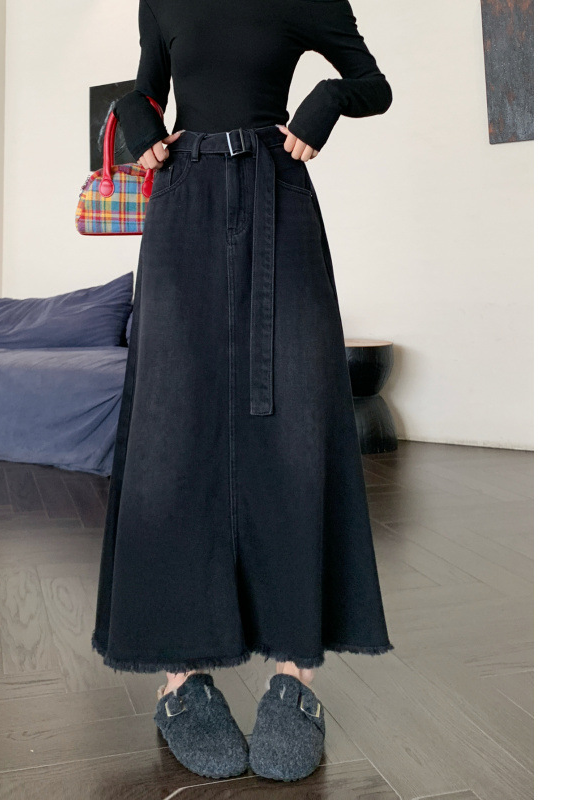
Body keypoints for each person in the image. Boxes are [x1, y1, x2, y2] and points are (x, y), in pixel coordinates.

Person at [92, 0, 394, 783]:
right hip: (183, 202)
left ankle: (296, 675)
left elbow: (373, 83)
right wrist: (134, 114)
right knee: (171, 431)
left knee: (297, 419)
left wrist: (328, 99)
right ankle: (180, 679)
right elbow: (149, 86)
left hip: (275, 196)